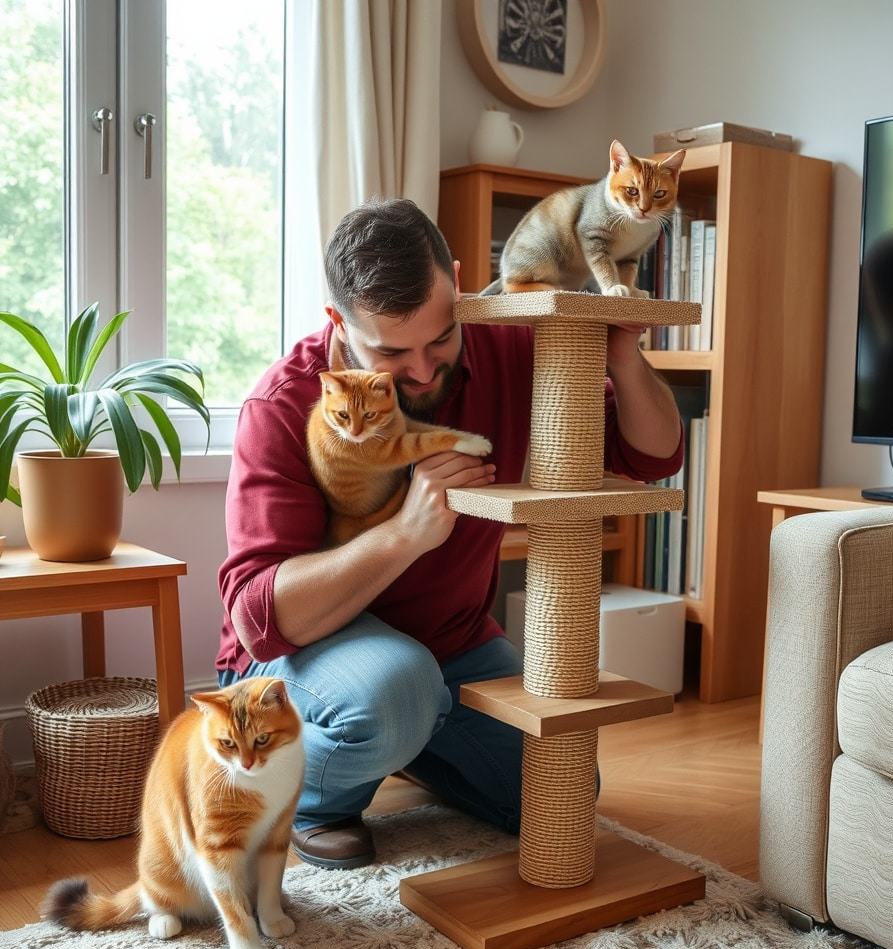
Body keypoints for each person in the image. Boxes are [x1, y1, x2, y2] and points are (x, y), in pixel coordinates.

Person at [215, 198, 685, 870]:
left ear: (458, 282)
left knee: (565, 787)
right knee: (396, 689)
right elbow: (263, 616)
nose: (424, 370)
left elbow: (652, 456)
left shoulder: (509, 342)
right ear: (337, 324)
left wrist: (624, 360)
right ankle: (308, 795)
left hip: (451, 649)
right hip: (301, 656)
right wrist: (406, 532)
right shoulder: (286, 403)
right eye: (391, 352)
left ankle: (397, 739)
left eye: (440, 339)